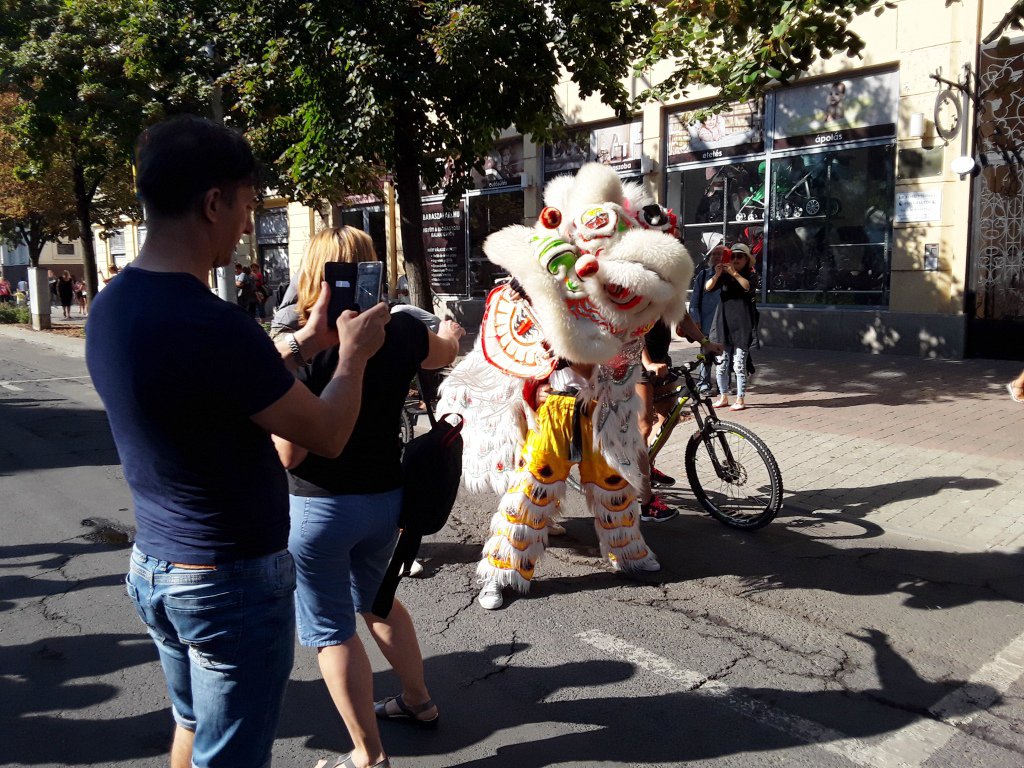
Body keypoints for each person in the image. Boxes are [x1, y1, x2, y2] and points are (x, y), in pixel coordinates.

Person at [86, 115, 390, 768]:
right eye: (248, 205)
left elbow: (219, 392)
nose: (248, 224)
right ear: (214, 201)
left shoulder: (112, 305)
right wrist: (354, 357)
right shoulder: (214, 324)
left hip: (159, 568)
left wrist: (308, 341)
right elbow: (329, 434)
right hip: (229, 584)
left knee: (193, 728)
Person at [271, 226, 464, 768]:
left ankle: (366, 755)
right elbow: (444, 350)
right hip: (386, 501)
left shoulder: (300, 338)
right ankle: (418, 701)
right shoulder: (399, 329)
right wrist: (449, 329)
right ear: (372, 267)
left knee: (332, 632)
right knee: (378, 600)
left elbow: (289, 454)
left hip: (318, 507)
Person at [706, 242, 759, 411]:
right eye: (733, 256)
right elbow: (708, 288)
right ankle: (723, 396)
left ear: (746, 260)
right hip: (723, 323)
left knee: (738, 365)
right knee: (721, 364)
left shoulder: (750, 275)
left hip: (742, 324)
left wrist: (734, 273)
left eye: (740, 256)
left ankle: (740, 399)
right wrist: (717, 274)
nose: (735, 259)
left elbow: (747, 287)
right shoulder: (724, 275)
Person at [688, 233, 726, 395]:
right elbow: (694, 302)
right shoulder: (703, 276)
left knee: (725, 356)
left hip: (726, 323)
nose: (719, 257)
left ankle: (723, 386)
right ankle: (704, 384)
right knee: (706, 355)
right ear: (710, 256)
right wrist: (696, 322)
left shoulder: (732, 275)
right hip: (707, 323)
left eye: (722, 254)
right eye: (715, 254)